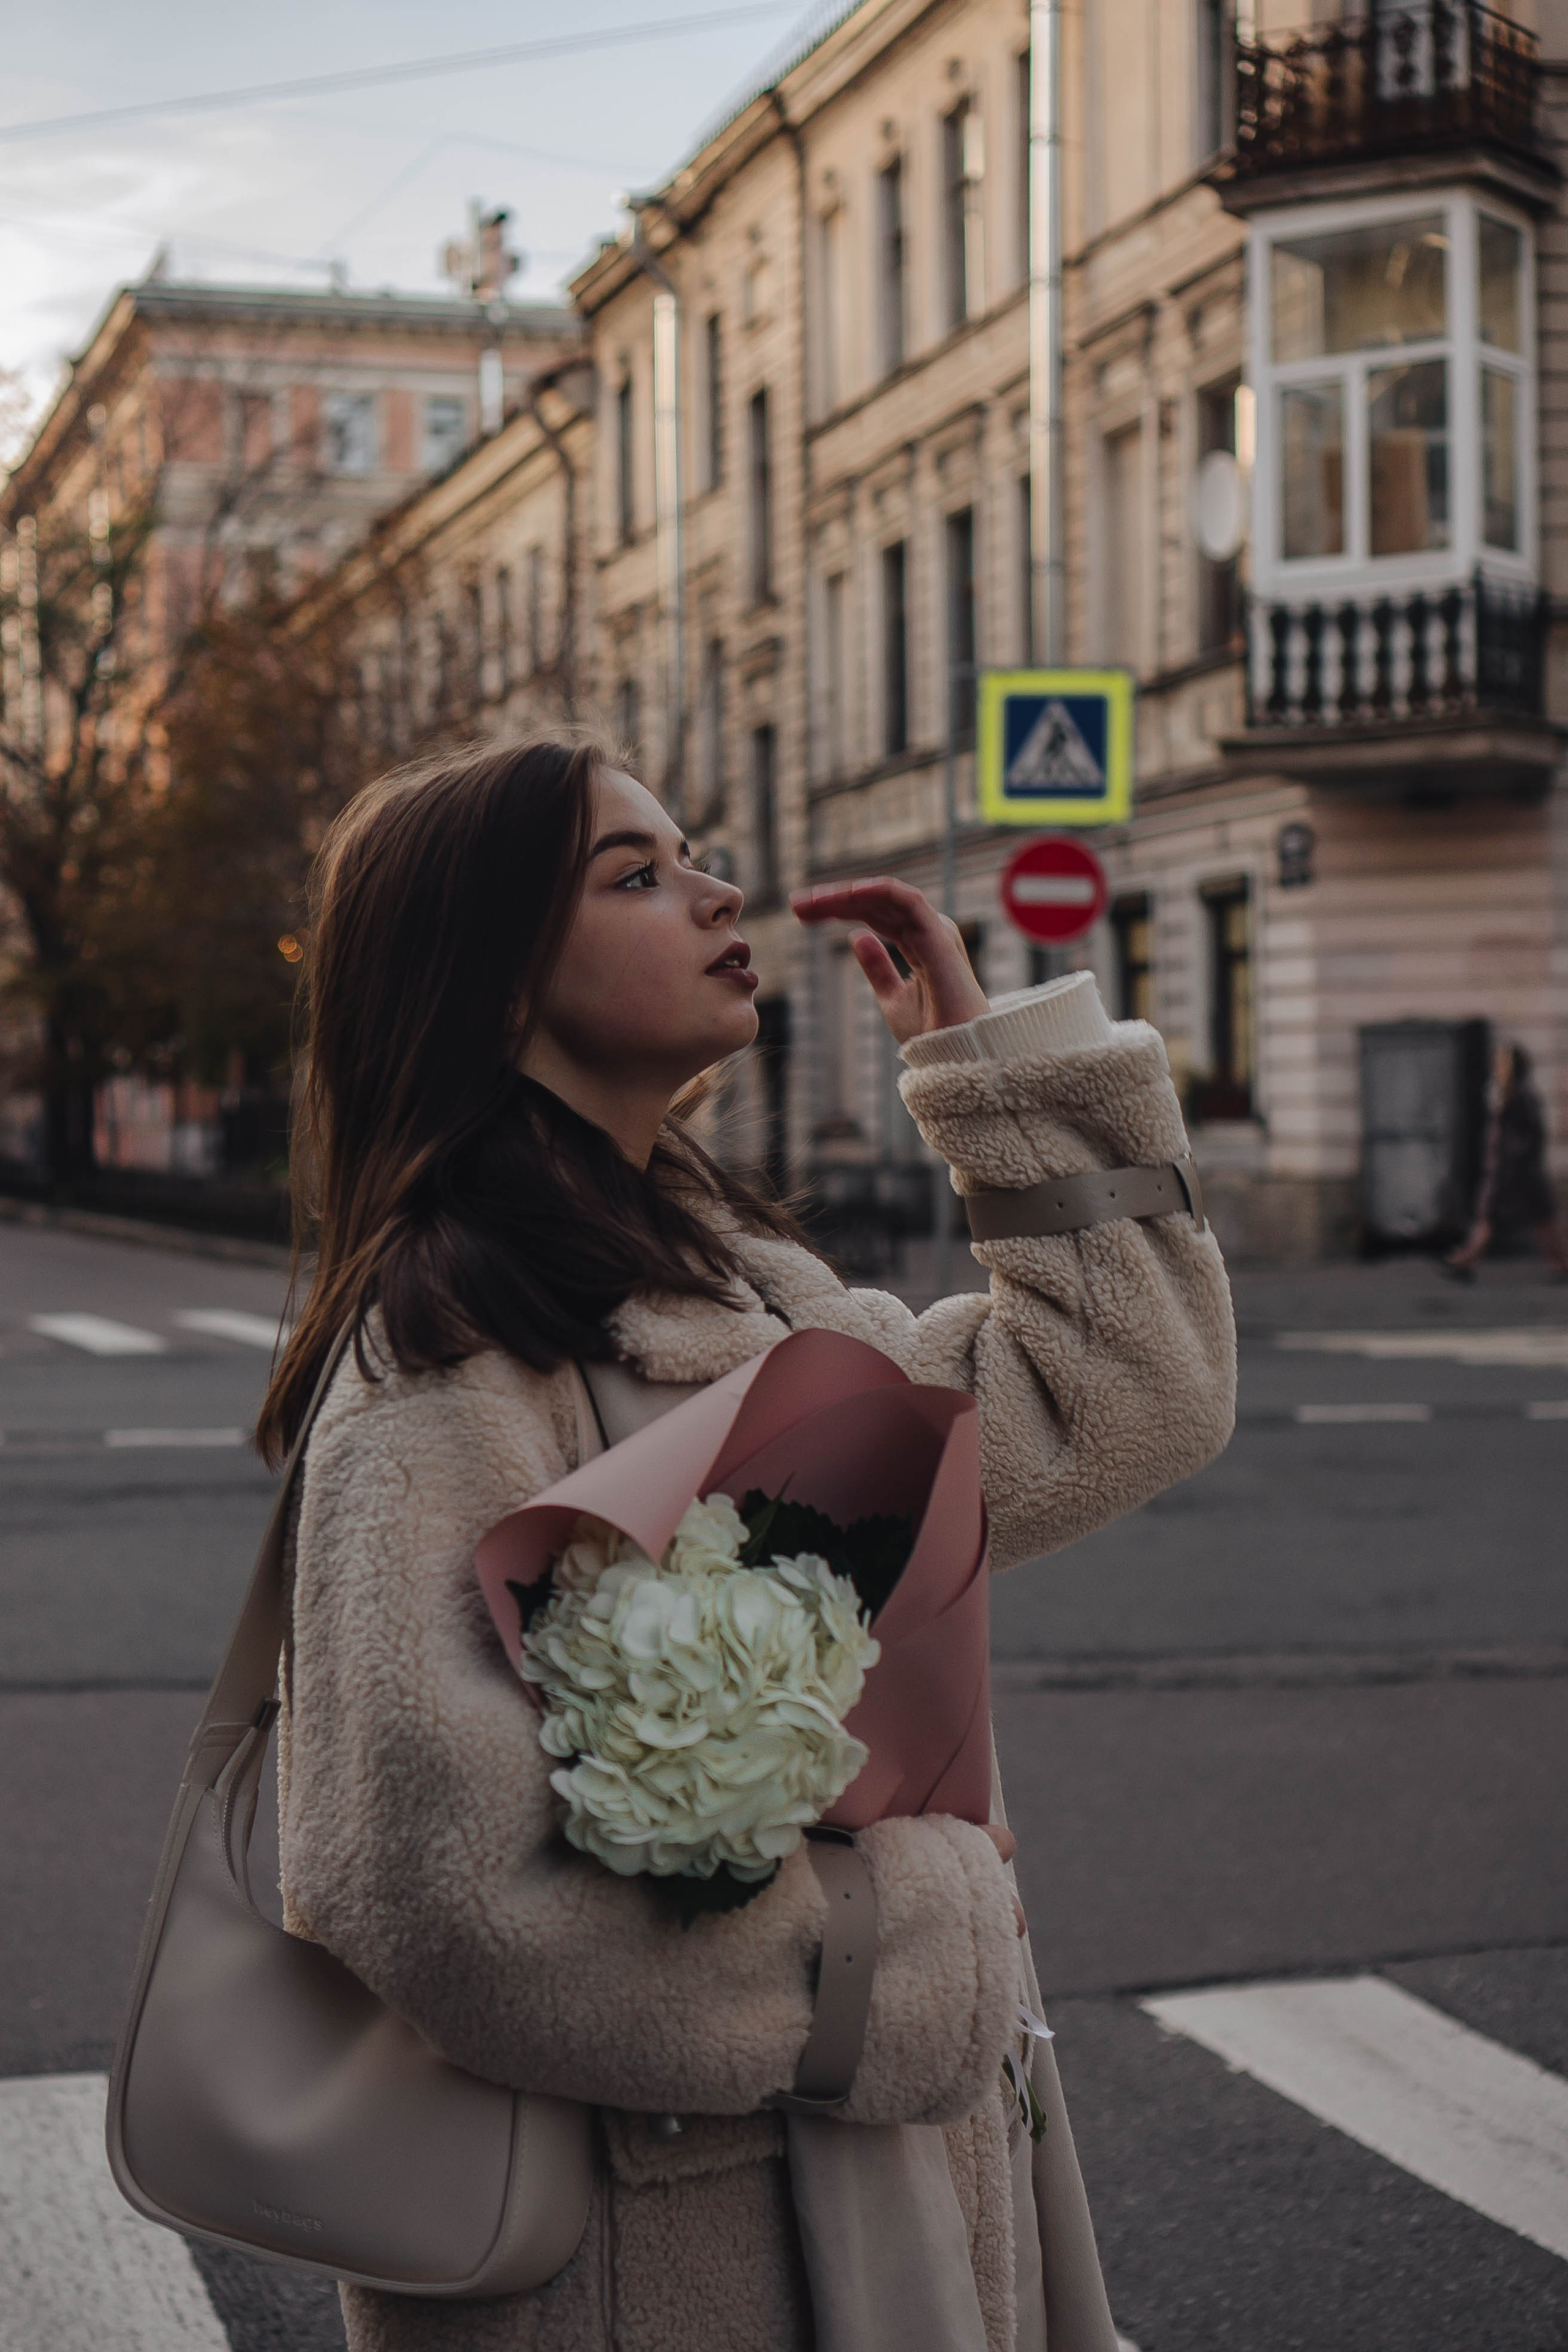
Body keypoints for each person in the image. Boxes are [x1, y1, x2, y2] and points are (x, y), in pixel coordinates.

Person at [258, 735, 1235, 2352]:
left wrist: (993, 1071)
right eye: (637, 876)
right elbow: (441, 1902)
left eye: (692, 850)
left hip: (873, 2195)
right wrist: (914, 1936)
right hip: (659, 2259)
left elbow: (1124, 1394)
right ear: (494, 985)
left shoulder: (746, 1293)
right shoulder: (447, 1359)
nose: (719, 892)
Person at [1444, 1044, 1568, 1281]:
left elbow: (1527, 1136)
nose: (1496, 1067)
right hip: (1517, 1171)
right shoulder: (1511, 1093)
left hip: (1512, 1172)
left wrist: (1511, 1161)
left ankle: (1465, 1260)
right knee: (1543, 1219)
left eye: (1501, 1064)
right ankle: (1466, 1261)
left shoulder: (1520, 1095)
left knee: (1505, 1219)